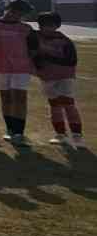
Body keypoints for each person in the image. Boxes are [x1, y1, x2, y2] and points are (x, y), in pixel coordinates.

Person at [30, 11, 83, 146]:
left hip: (64, 76)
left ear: (57, 26)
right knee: (54, 105)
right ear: (40, 26)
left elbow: (71, 60)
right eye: (44, 25)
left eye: (51, 25)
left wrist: (47, 57)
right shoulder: (35, 37)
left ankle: (77, 136)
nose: (48, 28)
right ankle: (61, 134)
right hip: (47, 77)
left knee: (68, 104)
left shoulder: (64, 40)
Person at [0, 0, 36, 144]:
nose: (16, 15)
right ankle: (10, 130)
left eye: (21, 13)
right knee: (6, 98)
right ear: (7, 9)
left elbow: (34, 48)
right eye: (14, 11)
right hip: (0, 67)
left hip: (21, 68)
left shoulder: (26, 28)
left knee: (20, 98)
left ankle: (19, 132)